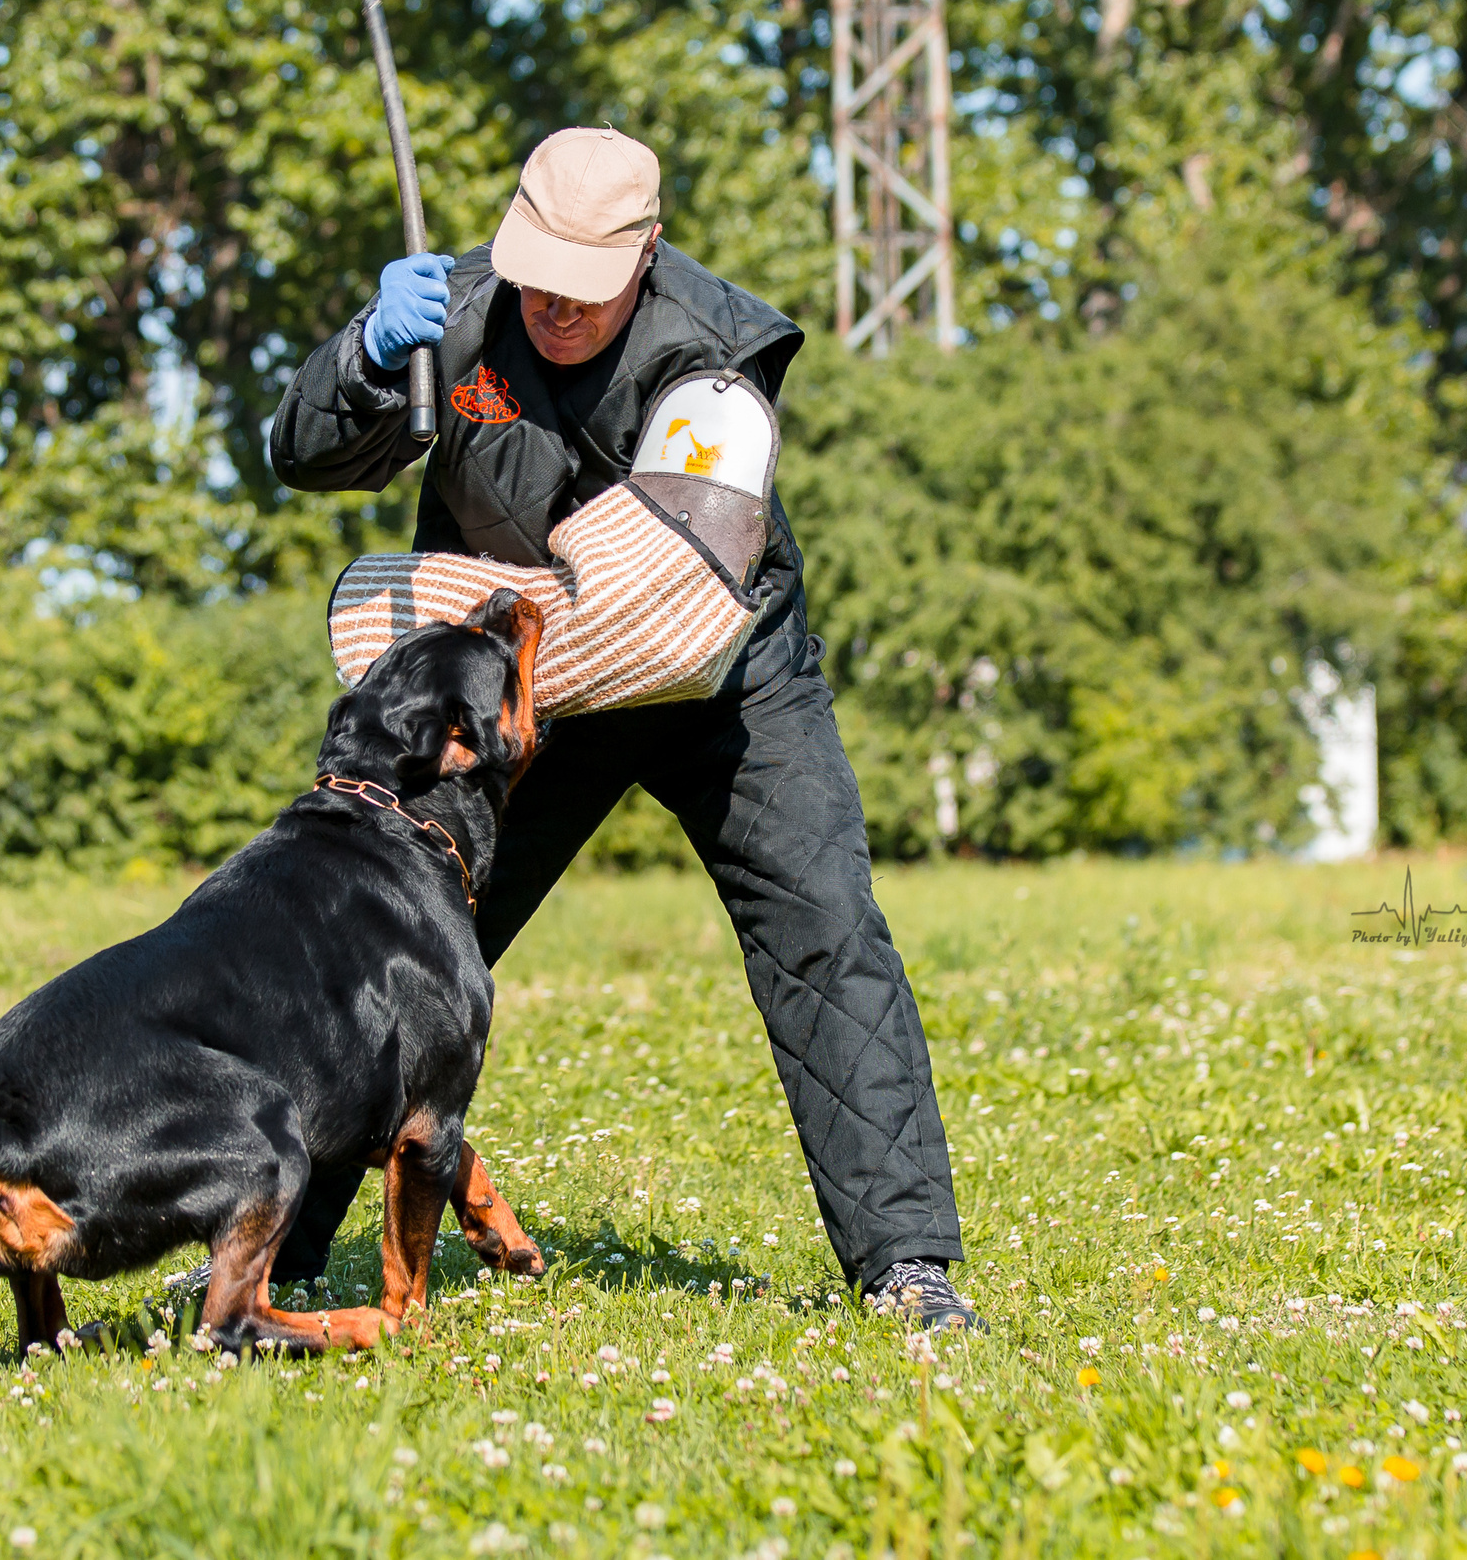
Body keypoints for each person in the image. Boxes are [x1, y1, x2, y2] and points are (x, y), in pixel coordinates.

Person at [263, 128, 980, 1329]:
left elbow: (661, 588)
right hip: (529, 690)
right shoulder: (462, 314)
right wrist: (367, 362)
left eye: (581, 288)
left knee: (826, 936)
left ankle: (907, 1266)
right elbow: (303, 456)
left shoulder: (714, 361)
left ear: (646, 252)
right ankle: (266, 1257)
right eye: (535, 274)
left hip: (718, 677)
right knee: (378, 952)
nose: (550, 308)